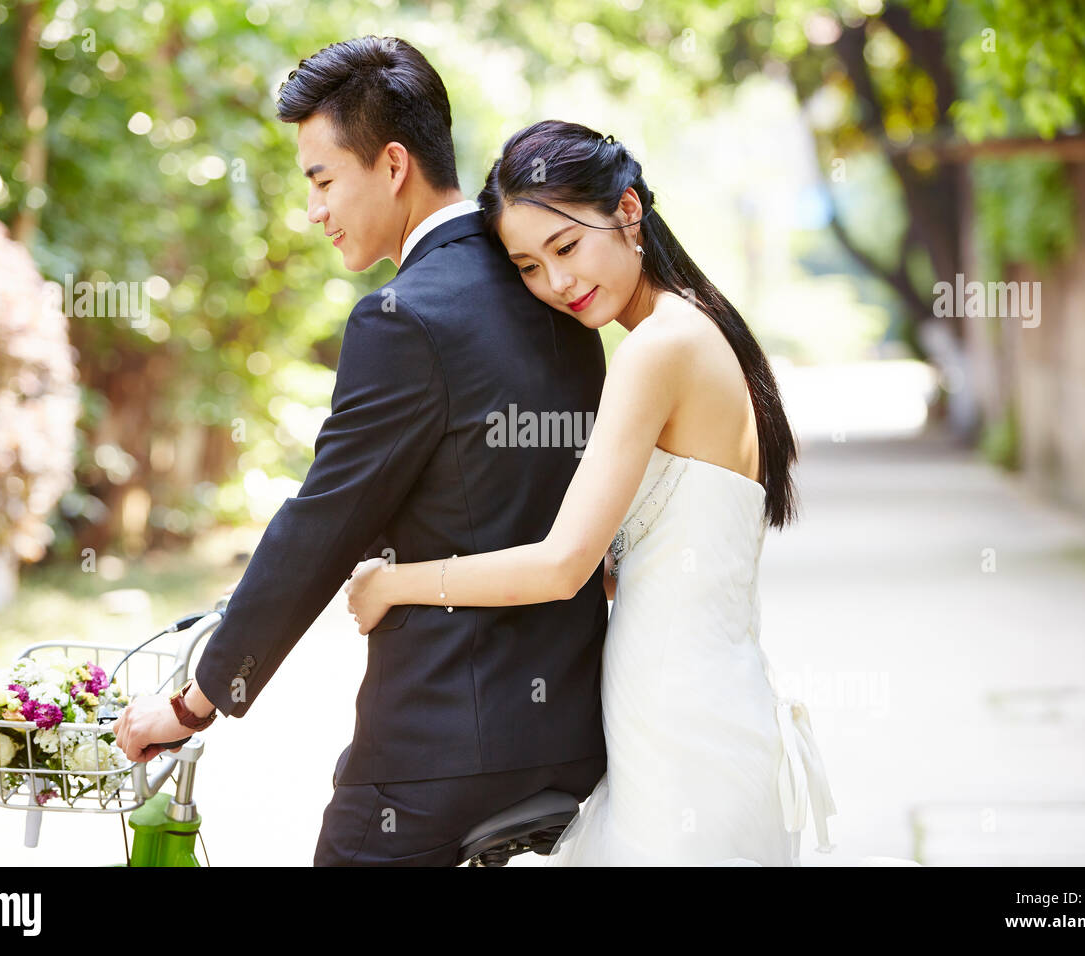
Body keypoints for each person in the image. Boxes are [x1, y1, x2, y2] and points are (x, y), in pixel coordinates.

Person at [111, 36, 610, 866]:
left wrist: (195, 703)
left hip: (441, 755)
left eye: (320, 179)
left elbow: (322, 523)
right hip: (571, 735)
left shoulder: (402, 317)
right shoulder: (552, 285)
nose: (313, 209)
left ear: (390, 165)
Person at [344, 118, 837, 865]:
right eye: (529, 267)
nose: (558, 282)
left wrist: (394, 585)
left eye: (567, 246)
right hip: (697, 716)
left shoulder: (658, 348)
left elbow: (560, 567)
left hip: (681, 735)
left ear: (628, 212)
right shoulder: (696, 329)